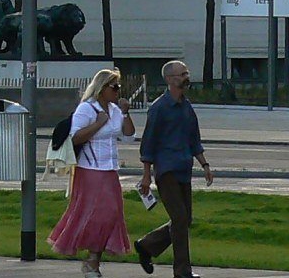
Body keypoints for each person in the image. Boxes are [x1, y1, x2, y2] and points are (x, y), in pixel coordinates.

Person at [48, 69, 136, 277]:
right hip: (90, 169)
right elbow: (75, 138)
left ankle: (93, 259)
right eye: (114, 87)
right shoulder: (87, 109)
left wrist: (125, 113)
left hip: (110, 169)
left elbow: (129, 137)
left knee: (112, 213)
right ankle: (91, 261)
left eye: (119, 87)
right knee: (94, 213)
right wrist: (98, 123)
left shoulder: (114, 110)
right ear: (102, 88)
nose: (118, 91)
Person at [134, 60, 212, 278]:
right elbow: (148, 145)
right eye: (181, 74)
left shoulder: (187, 107)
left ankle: (146, 246)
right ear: (169, 79)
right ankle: (182, 272)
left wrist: (204, 165)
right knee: (179, 218)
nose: (186, 77)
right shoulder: (159, 108)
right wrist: (146, 176)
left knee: (185, 219)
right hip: (166, 170)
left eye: (187, 73)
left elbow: (194, 140)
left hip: (183, 169)